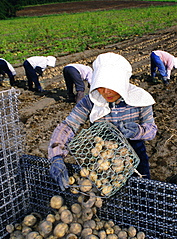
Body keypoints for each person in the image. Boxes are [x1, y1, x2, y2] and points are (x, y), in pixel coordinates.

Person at [48, 52, 157, 191]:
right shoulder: (90, 101)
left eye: (112, 86)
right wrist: (56, 156)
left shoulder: (141, 99)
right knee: (105, 194)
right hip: (100, 156)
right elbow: (69, 125)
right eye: (101, 86)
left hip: (134, 154)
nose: (106, 92)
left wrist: (138, 131)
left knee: (141, 191)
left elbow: (151, 130)